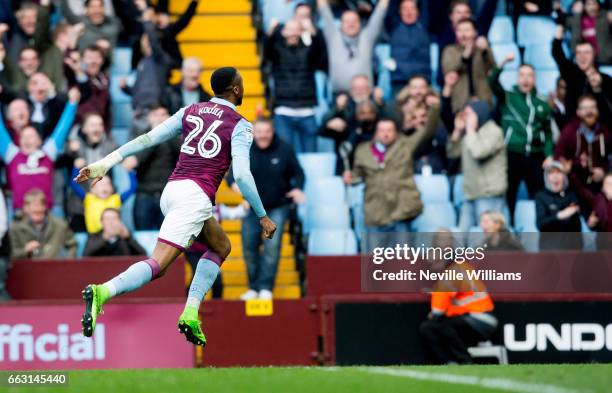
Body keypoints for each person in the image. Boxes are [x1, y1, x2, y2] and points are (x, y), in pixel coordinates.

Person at [74, 67, 276, 347]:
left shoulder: (190, 111)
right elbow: (241, 175)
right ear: (237, 90)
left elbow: (147, 138)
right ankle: (103, 291)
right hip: (194, 197)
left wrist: (104, 163)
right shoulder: (241, 126)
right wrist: (262, 215)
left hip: (173, 190)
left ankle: (191, 312)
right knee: (158, 265)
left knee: (221, 246)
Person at [228, 118, 305, 300]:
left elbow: (299, 173)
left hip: (277, 207)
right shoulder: (244, 149)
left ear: (272, 132)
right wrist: (233, 184)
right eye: (259, 131)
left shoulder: (285, 149)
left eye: (266, 131)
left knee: (272, 247)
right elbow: (231, 174)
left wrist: (298, 188)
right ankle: (253, 287)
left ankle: (266, 288)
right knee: (249, 248)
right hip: (252, 208)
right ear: (254, 133)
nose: (263, 135)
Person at [348, 98, 440, 232]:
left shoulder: (405, 145)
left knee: (402, 253)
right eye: (382, 131)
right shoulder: (362, 151)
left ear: (396, 132)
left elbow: (427, 132)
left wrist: (434, 110)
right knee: (375, 253)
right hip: (376, 211)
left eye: (389, 130)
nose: (385, 134)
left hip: (401, 209)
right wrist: (350, 177)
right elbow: (357, 176)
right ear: (376, 133)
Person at [489, 55, 553, 218]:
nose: (526, 79)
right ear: (517, 78)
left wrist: (549, 154)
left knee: (538, 194)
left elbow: (548, 132)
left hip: (535, 156)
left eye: (529, 75)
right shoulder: (508, 97)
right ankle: (509, 229)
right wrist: (501, 65)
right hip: (512, 154)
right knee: (509, 194)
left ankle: (537, 226)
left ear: (535, 79)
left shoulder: (542, 104)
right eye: (522, 75)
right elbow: (492, 83)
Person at [0, 87, 79, 210]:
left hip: (47, 212)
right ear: (19, 141)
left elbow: (63, 127)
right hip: (19, 214)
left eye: (31, 137)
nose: (27, 140)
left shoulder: (48, 153)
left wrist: (72, 104)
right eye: (24, 137)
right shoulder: (12, 154)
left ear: (39, 141)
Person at [419, 249, 497, 364]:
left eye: (435, 261)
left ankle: (462, 361)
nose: (431, 265)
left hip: (478, 320)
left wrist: (435, 297)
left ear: (443, 261)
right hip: (486, 319)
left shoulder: (450, 275)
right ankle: (455, 361)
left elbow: (437, 312)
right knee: (438, 326)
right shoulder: (462, 267)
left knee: (434, 326)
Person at [264, 16, 326, 153]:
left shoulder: (308, 51)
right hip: (283, 111)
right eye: (289, 29)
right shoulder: (277, 52)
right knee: (285, 155)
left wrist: (312, 31)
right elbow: (266, 50)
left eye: (295, 29)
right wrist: (271, 30)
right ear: (283, 32)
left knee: (311, 156)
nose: (292, 33)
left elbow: (321, 53)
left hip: (307, 111)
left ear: (300, 32)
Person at [446, 101, 507, 231]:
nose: (466, 118)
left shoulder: (494, 131)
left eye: (469, 114)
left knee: (488, 237)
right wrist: (457, 130)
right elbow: (452, 153)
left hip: (489, 194)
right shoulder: (470, 134)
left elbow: (479, 152)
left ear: (480, 114)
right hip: (470, 193)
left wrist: (470, 130)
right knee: (461, 237)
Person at [122, 105, 181, 230]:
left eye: (163, 115)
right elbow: (132, 163)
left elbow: (182, 156)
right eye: (155, 115)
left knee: (169, 240)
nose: (160, 118)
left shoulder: (176, 138)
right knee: (143, 237)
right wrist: (154, 137)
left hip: (167, 196)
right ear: (149, 118)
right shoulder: (140, 138)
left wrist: (168, 133)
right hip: (144, 194)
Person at [317, 0, 389, 94]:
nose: (351, 24)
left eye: (355, 21)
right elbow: (323, 9)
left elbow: (380, 14)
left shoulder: (367, 37)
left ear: (360, 23)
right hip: (340, 97)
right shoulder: (333, 37)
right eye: (347, 22)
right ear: (341, 24)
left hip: (365, 96)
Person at [554, 94, 611, 203]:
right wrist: (573, 163)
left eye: (592, 107)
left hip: (599, 185)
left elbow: (610, 159)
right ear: (578, 112)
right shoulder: (569, 131)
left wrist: (604, 172)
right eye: (585, 108)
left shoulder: (605, 132)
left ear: (597, 111)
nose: (589, 112)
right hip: (574, 186)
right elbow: (558, 157)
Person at [552, 23, 612, 120]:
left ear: (594, 55)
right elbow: (557, 53)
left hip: (600, 128)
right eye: (578, 53)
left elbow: (608, 111)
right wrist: (559, 31)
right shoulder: (570, 74)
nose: (582, 57)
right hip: (573, 128)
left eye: (586, 52)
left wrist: (598, 89)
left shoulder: (606, 79)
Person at [442, 18, 495, 114]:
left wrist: (486, 51)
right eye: (459, 31)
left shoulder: (482, 49)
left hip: (483, 99)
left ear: (475, 32)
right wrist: (465, 55)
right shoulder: (449, 50)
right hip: (461, 102)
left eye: (467, 30)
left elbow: (493, 70)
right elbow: (449, 71)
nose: (463, 34)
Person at [10, 189, 77, 259]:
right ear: (26, 208)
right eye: (33, 205)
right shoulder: (15, 228)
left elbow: (72, 245)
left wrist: (67, 263)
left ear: (45, 207)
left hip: (54, 267)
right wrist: (25, 250)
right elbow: (10, 254)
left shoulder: (60, 225)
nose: (37, 208)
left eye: (40, 204)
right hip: (27, 268)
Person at [535, 161, 582, 250]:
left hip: (572, 248)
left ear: (564, 176)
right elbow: (540, 224)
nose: (555, 176)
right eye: (551, 173)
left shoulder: (571, 194)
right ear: (547, 177)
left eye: (558, 172)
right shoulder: (541, 196)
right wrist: (559, 215)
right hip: (550, 248)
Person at [387, 0, 431, 95]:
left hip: (422, 80)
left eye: (412, 8)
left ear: (418, 11)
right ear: (400, 12)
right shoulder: (394, 26)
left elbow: (425, 4)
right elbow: (391, 8)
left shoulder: (424, 25)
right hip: (400, 80)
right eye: (405, 9)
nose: (409, 12)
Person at [70, 172, 137, 234]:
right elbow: (74, 185)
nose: (104, 187)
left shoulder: (116, 199)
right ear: (93, 189)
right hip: (94, 236)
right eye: (100, 184)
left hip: (114, 234)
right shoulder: (88, 199)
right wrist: (76, 168)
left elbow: (132, 188)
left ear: (112, 188)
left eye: (107, 184)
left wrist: (130, 171)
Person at [565, 0, 612, 65]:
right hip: (587, 62)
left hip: (607, 59)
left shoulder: (605, 16)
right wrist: (576, 14)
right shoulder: (577, 20)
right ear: (584, 6)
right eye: (588, 4)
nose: (592, 7)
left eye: (594, 3)